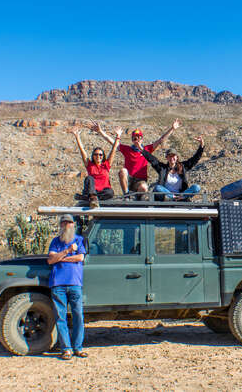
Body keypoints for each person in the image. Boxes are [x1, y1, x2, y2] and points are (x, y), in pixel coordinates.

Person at [92, 119, 181, 197]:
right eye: (135, 138)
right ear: (132, 140)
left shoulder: (146, 150)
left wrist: (172, 129)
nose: (137, 139)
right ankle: (126, 195)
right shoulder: (127, 149)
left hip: (140, 181)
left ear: (142, 139)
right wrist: (100, 131)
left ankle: (139, 199)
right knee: (123, 171)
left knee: (144, 187)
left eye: (139, 137)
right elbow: (111, 142)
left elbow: (161, 140)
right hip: (129, 180)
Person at [47, 214, 88, 360]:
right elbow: (51, 260)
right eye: (64, 223)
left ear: (73, 225)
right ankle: (66, 349)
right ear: (61, 225)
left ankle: (78, 347)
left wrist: (61, 258)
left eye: (69, 223)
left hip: (75, 283)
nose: (66, 225)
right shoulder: (55, 241)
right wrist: (67, 251)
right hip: (58, 284)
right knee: (60, 317)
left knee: (78, 316)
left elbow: (80, 258)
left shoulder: (79, 239)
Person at [69, 126, 122, 208]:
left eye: (100, 154)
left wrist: (118, 136)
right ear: (93, 156)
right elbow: (82, 150)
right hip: (92, 191)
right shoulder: (89, 165)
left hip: (103, 192)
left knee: (110, 192)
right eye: (96, 154)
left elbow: (113, 149)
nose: (98, 156)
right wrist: (77, 137)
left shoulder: (106, 165)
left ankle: (89, 198)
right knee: (89, 178)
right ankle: (92, 197)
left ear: (103, 156)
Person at [142, 136, 204, 201]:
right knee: (157, 188)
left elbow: (194, 159)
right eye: (169, 156)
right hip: (166, 196)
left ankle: (181, 197)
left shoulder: (183, 167)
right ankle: (173, 197)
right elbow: (152, 159)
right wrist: (142, 150)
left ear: (177, 157)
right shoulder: (162, 168)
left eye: (173, 156)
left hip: (180, 195)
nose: (172, 158)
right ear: (167, 158)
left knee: (196, 187)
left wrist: (201, 145)